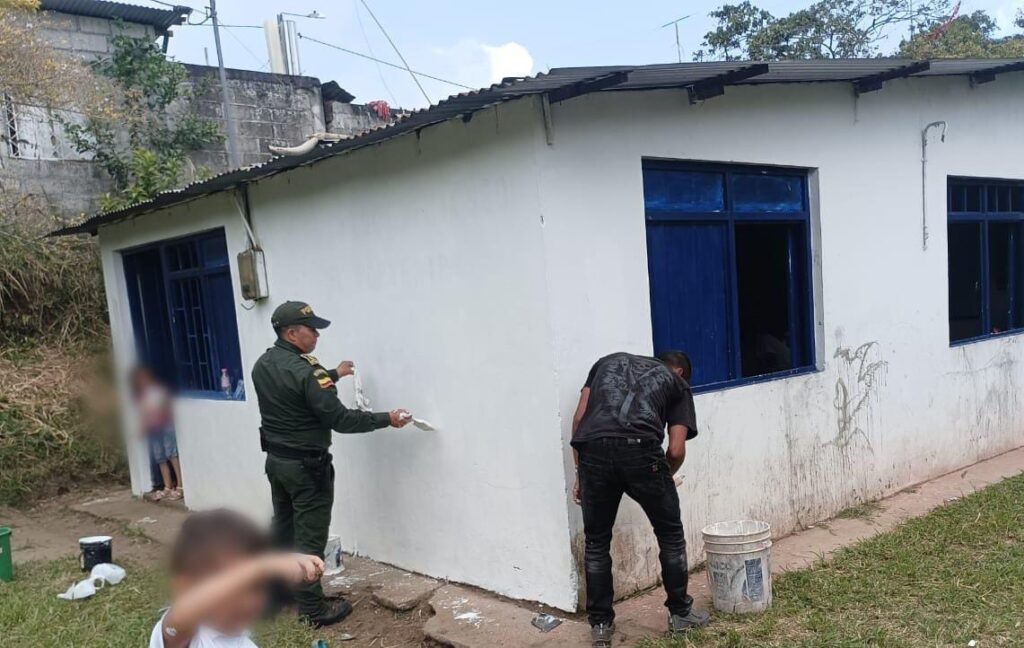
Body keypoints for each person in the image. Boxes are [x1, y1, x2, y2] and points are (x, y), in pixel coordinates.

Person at [251, 300, 412, 627]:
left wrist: (334, 374)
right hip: (307, 470)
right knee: (310, 537)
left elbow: (296, 390)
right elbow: (339, 418)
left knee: (283, 528)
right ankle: (312, 608)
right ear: (292, 332)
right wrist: (387, 419)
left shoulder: (264, 364)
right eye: (312, 330)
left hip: (277, 462)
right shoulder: (307, 372)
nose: (317, 336)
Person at [570, 351, 710, 648]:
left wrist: (581, 473)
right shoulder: (677, 383)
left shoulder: (606, 362)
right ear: (681, 372)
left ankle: (601, 627)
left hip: (593, 449)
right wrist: (664, 477)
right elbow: (675, 450)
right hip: (641, 452)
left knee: (596, 541)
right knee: (670, 535)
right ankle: (680, 614)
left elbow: (580, 418)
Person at [148, 508, 324, 648]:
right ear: (185, 586)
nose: (248, 601)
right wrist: (264, 564)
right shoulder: (183, 635)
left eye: (255, 586)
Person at [133, 366, 183, 501]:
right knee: (160, 457)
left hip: (165, 426)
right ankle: (168, 486)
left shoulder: (159, 391)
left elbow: (163, 409)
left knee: (171, 454)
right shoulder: (141, 395)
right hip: (154, 428)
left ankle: (180, 485)